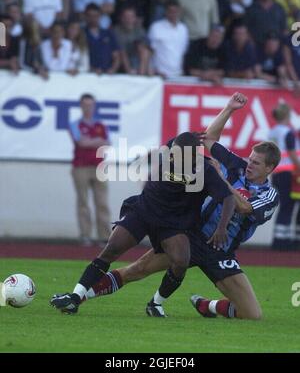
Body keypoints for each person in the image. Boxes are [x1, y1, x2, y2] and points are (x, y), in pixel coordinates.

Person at [72, 96, 281, 319]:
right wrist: (229, 109)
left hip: (221, 249)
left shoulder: (270, 195)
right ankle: (77, 297)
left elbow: (245, 208)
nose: (249, 165)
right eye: (250, 159)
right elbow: (208, 138)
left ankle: (206, 305)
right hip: (190, 234)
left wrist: (221, 180)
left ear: (269, 168)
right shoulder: (237, 165)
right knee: (137, 269)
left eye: (256, 163)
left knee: (252, 315)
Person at [50, 105, 244, 314]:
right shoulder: (169, 152)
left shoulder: (205, 170)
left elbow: (228, 198)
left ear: (193, 157)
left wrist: (222, 228)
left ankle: (156, 303)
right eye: (173, 154)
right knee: (111, 250)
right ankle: (75, 297)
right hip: (144, 211)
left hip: (173, 223)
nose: (173, 159)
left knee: (180, 262)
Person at [69, 93, 111, 246]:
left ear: (94, 106)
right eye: (85, 105)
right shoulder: (75, 124)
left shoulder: (101, 125)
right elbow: (81, 142)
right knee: (83, 202)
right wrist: (97, 141)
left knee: (102, 202)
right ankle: (85, 235)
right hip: (80, 167)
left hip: (99, 166)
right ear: (81, 106)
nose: (88, 108)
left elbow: (106, 142)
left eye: (90, 105)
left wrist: (91, 142)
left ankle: (105, 236)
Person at [268, 102, 300, 250]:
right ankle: (282, 241)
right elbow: (293, 153)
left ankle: (280, 237)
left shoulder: (273, 131)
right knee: (289, 206)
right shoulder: (287, 132)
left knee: (284, 206)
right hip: (289, 173)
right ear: (287, 115)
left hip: (277, 173)